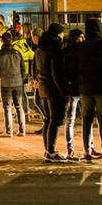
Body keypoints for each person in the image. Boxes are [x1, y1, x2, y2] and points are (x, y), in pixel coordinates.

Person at [70, 18, 102, 162]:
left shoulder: (80, 48)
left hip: (85, 88)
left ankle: (86, 151)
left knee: (86, 120)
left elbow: (74, 68)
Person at [35, 22, 69, 162]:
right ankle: (51, 151)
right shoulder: (54, 48)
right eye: (62, 33)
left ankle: (48, 150)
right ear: (57, 34)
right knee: (55, 120)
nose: (63, 35)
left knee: (48, 119)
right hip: (53, 88)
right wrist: (63, 90)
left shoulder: (40, 48)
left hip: (43, 87)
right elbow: (57, 73)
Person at [0, 32, 26, 137]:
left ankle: (8, 131)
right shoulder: (17, 53)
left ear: (2, 41)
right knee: (19, 107)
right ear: (11, 40)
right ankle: (22, 130)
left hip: (6, 84)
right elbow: (23, 69)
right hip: (18, 83)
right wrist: (22, 80)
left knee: (7, 108)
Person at [63, 29, 84, 161]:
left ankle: (89, 147)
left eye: (83, 37)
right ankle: (70, 149)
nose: (81, 39)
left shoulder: (83, 51)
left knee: (86, 120)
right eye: (79, 37)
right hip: (74, 90)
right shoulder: (68, 52)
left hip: (83, 89)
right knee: (70, 120)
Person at [11, 29, 34, 117]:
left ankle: (21, 112)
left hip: (17, 73)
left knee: (16, 93)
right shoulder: (24, 43)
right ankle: (25, 110)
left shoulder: (13, 46)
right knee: (22, 92)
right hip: (26, 73)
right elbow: (32, 55)